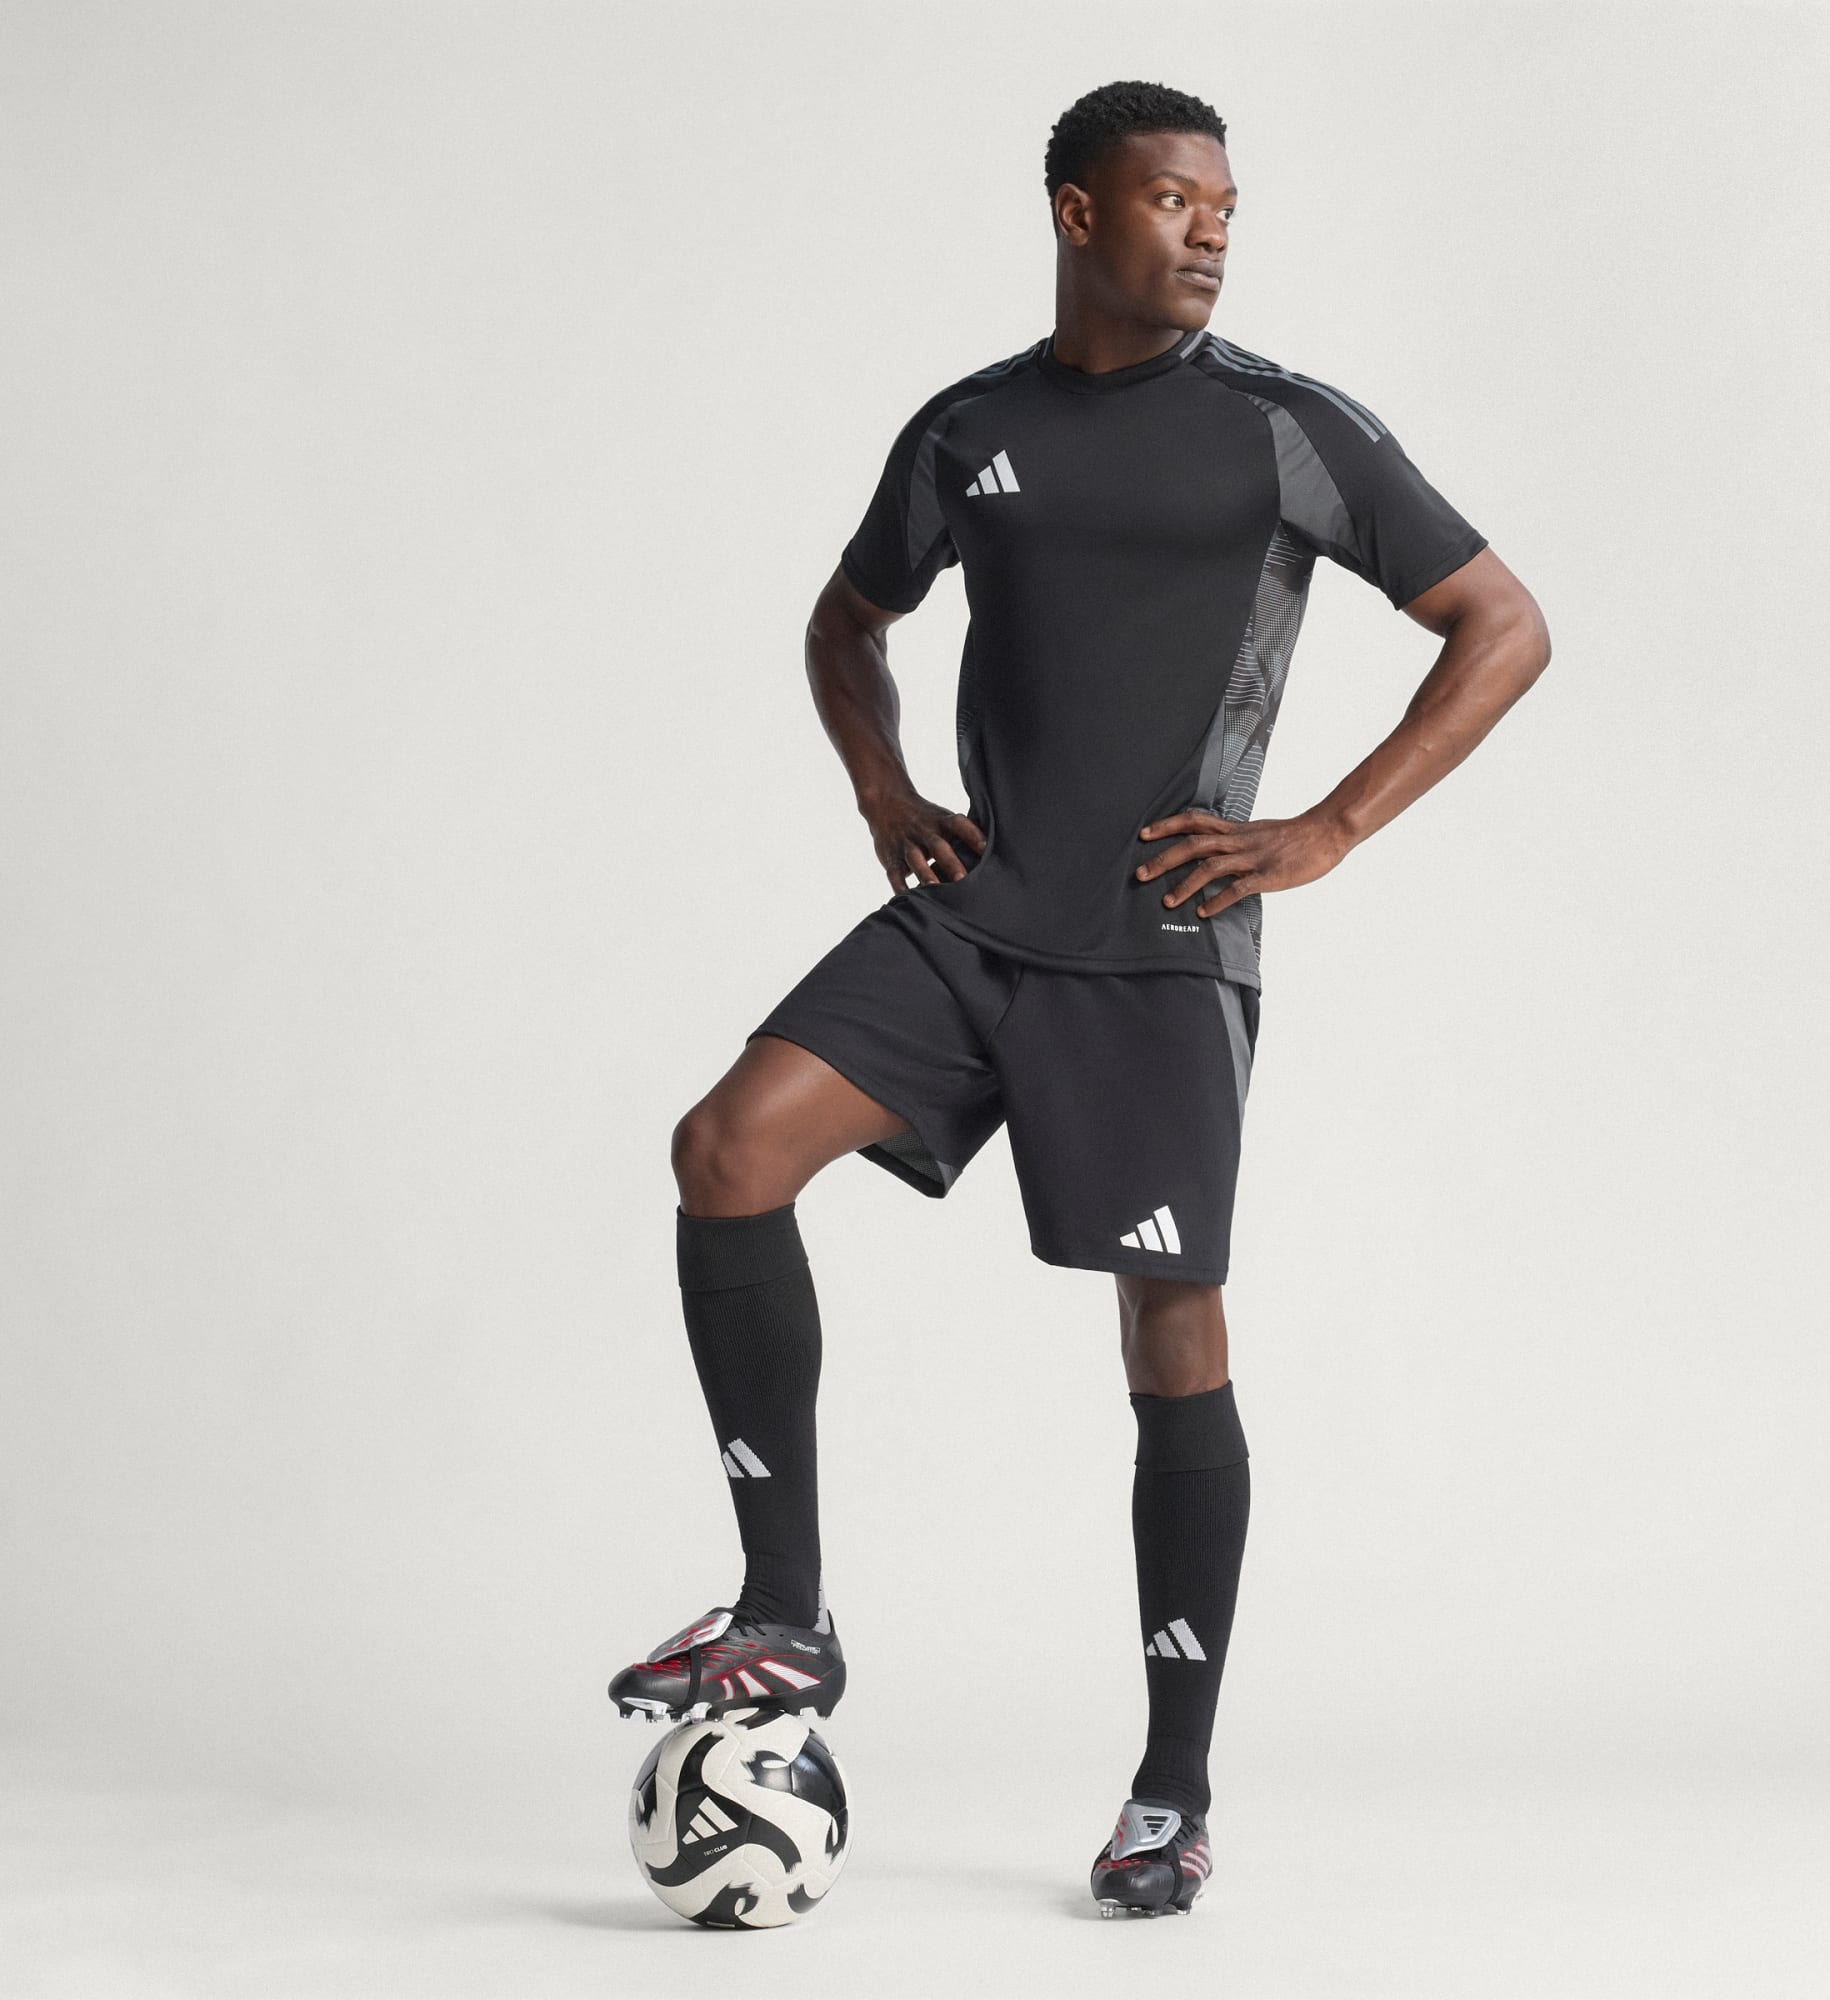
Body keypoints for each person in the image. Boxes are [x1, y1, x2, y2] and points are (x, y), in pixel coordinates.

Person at [608, 78, 1551, 1918]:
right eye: (1174, 200)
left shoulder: (1286, 429)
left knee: (1170, 1335)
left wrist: (1326, 830)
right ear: (1076, 213)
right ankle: (787, 1612)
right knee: (726, 1150)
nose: (1210, 232)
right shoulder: (970, 429)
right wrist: (885, 793)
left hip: (1158, 950)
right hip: (976, 922)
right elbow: (846, 620)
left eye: (1225, 207)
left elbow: (1501, 622)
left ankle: (1170, 1790)